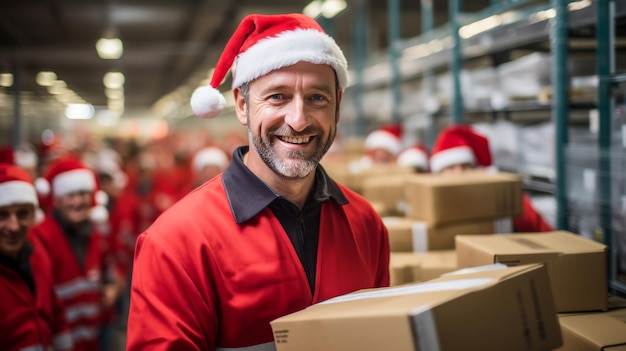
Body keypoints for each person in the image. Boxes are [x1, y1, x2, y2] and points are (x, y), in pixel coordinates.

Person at [127, 13, 390, 351]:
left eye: (317, 98)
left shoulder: (366, 225)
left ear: (337, 107)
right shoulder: (177, 244)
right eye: (277, 96)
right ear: (241, 105)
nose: (298, 120)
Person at [30, 158, 125, 351]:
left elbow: (107, 272)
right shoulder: (40, 236)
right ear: (56, 199)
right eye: (70, 195)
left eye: (83, 194)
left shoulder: (97, 232)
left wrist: (111, 287)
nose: (78, 202)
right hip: (59, 341)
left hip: (93, 335)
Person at [0, 164, 74, 351]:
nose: (13, 226)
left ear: (34, 214)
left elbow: (54, 308)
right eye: (2, 215)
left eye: (22, 214)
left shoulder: (37, 252)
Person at [430, 124, 554, 232]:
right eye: (451, 167)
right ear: (438, 172)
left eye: (465, 166)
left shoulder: (503, 199)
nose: (459, 172)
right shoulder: (430, 205)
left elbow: (544, 231)